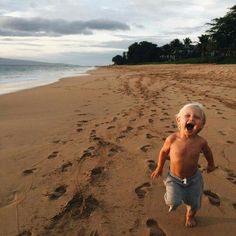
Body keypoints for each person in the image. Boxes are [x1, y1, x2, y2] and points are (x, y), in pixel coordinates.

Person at [151, 102, 216, 227]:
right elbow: (164, 152)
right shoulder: (172, 139)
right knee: (173, 201)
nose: (191, 118)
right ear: (178, 120)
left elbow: (208, 152)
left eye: (197, 117)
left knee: (194, 202)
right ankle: (172, 196)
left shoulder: (201, 142)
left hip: (194, 179)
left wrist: (211, 164)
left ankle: (190, 216)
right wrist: (159, 167)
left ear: (201, 125)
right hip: (174, 178)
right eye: (187, 115)